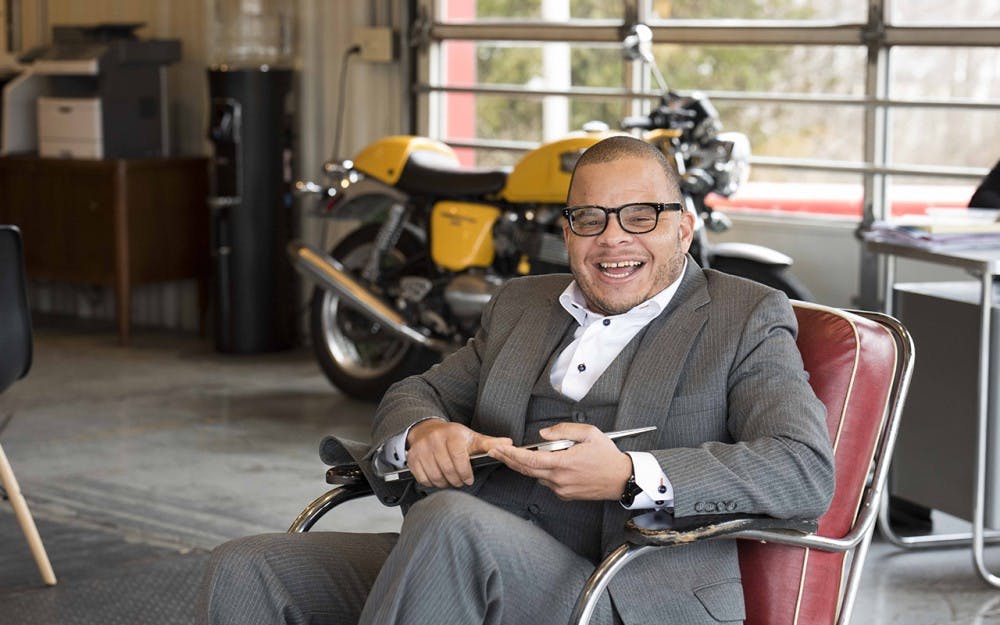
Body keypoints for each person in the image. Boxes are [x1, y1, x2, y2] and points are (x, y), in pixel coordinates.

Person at [198, 136, 835, 625]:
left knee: (452, 523)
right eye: (589, 219)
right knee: (247, 568)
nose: (612, 240)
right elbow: (416, 393)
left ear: (683, 226)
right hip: (458, 556)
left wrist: (629, 474)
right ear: (567, 232)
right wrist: (423, 431)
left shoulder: (744, 314)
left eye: (640, 216)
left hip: (622, 590)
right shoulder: (522, 304)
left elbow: (803, 468)